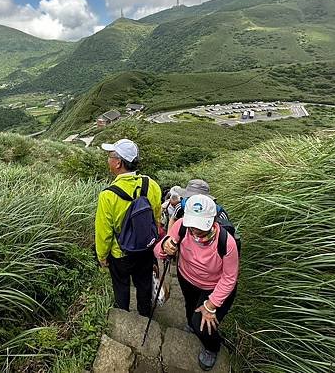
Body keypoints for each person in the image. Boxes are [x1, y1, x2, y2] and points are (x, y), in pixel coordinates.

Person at [155, 194, 239, 371]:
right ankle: (193, 327)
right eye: (192, 224)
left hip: (214, 287)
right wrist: (164, 247)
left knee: (203, 323)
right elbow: (158, 251)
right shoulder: (182, 227)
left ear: (213, 220)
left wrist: (211, 305)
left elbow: (230, 278)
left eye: (201, 225)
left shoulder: (226, 242)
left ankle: (212, 347)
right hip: (187, 279)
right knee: (189, 309)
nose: (195, 230)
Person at [95, 138, 162, 317]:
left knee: (121, 286)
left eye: (110, 156)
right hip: (146, 249)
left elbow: (104, 232)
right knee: (144, 284)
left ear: (118, 163)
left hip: (120, 253)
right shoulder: (151, 185)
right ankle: (144, 314)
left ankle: (123, 316)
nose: (108, 159)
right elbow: (156, 218)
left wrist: (102, 256)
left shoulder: (108, 195)